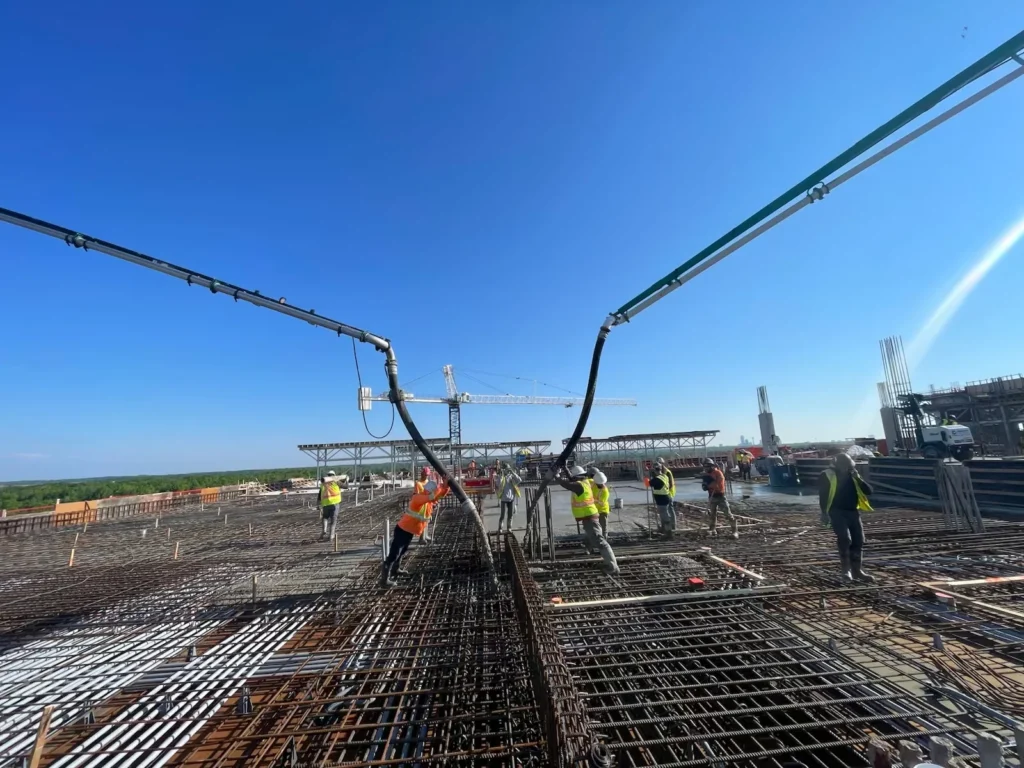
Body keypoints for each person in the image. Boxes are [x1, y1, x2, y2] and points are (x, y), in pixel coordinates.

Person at [381, 478, 450, 587]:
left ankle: (395, 569)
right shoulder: (418, 498)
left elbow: (439, 496)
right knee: (395, 554)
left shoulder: (428, 501)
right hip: (402, 530)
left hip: (409, 530)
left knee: (402, 551)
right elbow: (433, 496)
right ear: (429, 491)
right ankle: (385, 580)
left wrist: (446, 487)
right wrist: (441, 487)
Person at [818, 453, 874, 583]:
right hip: (836, 512)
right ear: (837, 465)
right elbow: (823, 495)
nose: (845, 468)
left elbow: (869, 491)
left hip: (853, 512)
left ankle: (857, 571)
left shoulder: (853, 475)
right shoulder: (826, 474)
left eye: (847, 466)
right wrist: (824, 513)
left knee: (859, 541)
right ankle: (846, 571)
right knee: (844, 539)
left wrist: (858, 479)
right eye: (843, 466)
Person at [552, 466, 619, 575]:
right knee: (597, 539)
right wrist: (564, 468)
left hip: (589, 516)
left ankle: (612, 566)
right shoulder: (586, 482)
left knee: (600, 541)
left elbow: (566, 484)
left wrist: (556, 475)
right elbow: (571, 479)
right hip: (589, 515)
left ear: (577, 477)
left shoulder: (580, 486)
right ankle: (610, 563)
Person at [701, 459, 738, 538]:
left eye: (707, 467)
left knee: (728, 514)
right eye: (705, 467)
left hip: (720, 497)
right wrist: (705, 485)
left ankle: (734, 531)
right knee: (712, 514)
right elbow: (704, 486)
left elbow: (719, 486)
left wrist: (709, 485)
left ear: (711, 466)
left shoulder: (718, 473)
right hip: (712, 497)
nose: (706, 468)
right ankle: (712, 529)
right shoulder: (706, 475)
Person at [648, 466, 676, 539]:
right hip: (666, 497)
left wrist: (646, 477)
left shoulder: (657, 479)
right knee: (665, 513)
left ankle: (668, 532)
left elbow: (647, 484)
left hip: (662, 499)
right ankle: (665, 529)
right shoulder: (664, 476)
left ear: (655, 471)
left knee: (664, 514)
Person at [495, 462, 522, 533]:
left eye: (508, 469)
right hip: (504, 499)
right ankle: (500, 528)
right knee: (502, 515)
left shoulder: (512, 477)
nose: (507, 470)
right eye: (506, 469)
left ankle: (509, 528)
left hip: (511, 499)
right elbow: (498, 484)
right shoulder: (502, 477)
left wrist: (513, 472)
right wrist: (501, 475)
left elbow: (519, 480)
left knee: (510, 515)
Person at [317, 471, 342, 541]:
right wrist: (347, 480)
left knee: (325, 517)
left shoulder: (323, 483)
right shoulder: (336, 482)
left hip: (325, 504)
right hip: (334, 504)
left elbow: (319, 495)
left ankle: (324, 530)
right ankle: (331, 536)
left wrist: (318, 504)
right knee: (333, 520)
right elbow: (346, 486)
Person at [413, 467, 432, 543]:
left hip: (427, 505)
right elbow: (415, 496)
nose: (426, 476)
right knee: (422, 521)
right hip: (421, 506)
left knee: (427, 520)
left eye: (427, 475)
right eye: (425, 475)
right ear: (422, 474)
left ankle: (425, 535)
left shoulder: (428, 482)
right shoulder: (418, 484)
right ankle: (421, 538)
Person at [590, 469, 611, 535]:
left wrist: (591, 500)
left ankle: (604, 539)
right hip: (594, 510)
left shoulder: (605, 491)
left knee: (603, 527)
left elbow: (601, 503)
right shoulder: (593, 484)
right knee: (595, 528)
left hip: (602, 510)